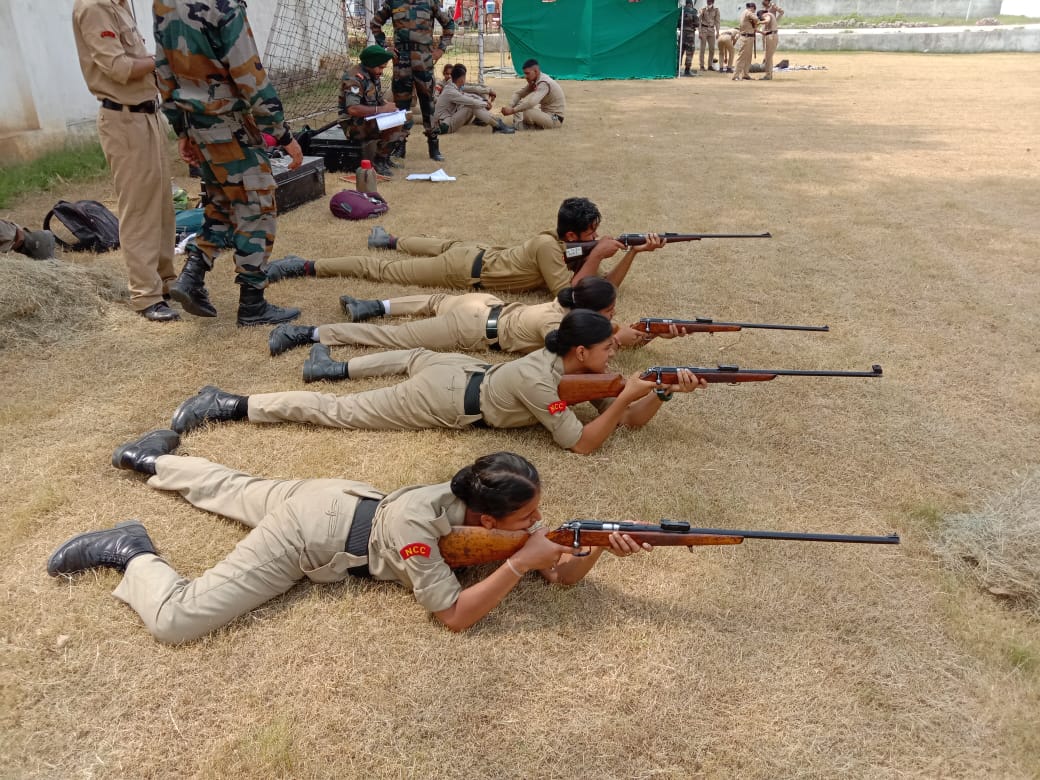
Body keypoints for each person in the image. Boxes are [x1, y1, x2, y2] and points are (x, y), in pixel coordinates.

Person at [47, 435, 653, 642]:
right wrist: (520, 566)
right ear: (489, 521)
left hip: (340, 496)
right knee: (180, 620)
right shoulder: (419, 528)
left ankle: (150, 460)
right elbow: (453, 616)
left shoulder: (489, 503)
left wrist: (593, 549)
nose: (537, 523)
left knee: (234, 488)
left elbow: (560, 574)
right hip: (308, 534)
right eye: (527, 517)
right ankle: (132, 551)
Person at [168, 310, 708, 454]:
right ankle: (230, 403)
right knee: (342, 412)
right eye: (609, 347)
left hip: (461, 371)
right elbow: (585, 445)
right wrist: (625, 394)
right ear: (581, 352)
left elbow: (628, 421)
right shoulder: (540, 382)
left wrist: (659, 391)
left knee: (410, 353)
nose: (616, 352)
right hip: (442, 398)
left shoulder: (572, 371)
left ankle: (333, 366)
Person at [154, 0, 304, 327]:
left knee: (221, 202)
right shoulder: (223, 5)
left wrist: (182, 129)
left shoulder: (164, 4)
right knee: (257, 207)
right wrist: (282, 134)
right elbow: (249, 74)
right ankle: (253, 304)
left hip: (197, 124)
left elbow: (163, 70)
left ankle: (192, 277)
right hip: (228, 125)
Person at [264, 198, 664, 296]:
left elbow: (602, 287)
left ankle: (390, 239)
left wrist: (631, 252)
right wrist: (598, 254)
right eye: (592, 234)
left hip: (474, 252)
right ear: (573, 237)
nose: (598, 238)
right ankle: (306, 265)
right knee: (383, 271)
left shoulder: (566, 248)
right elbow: (569, 296)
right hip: (463, 270)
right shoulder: (549, 248)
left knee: (441, 244)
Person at [72, 0, 178, 322]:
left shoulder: (119, 5)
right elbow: (118, 68)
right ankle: (146, 295)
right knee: (139, 208)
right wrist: (162, 59)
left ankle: (166, 280)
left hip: (148, 115)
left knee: (161, 203)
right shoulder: (94, 8)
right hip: (123, 120)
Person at [268, 277, 690, 358]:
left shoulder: (568, 304)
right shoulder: (560, 327)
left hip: (484, 306)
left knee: (434, 299)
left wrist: (652, 333)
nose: (614, 317)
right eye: (610, 311)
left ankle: (375, 305)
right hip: (472, 328)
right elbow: (603, 346)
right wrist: (633, 336)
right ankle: (306, 333)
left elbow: (617, 334)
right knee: (392, 339)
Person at [370, 0, 455, 161]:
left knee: (428, 103)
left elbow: (449, 24)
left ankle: (433, 144)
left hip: (424, 61)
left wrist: (440, 49)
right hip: (401, 61)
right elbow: (375, 23)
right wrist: (385, 47)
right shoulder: (393, 2)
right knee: (401, 105)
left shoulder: (430, 2)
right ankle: (399, 144)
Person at [339, 45, 410, 177]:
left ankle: (385, 157)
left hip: (367, 119)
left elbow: (375, 99)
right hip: (353, 125)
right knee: (394, 124)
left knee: (404, 119)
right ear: (371, 64)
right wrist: (381, 109)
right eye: (380, 67)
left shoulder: (372, 75)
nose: (381, 71)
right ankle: (379, 161)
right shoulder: (354, 79)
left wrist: (387, 105)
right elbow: (353, 109)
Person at [434, 64, 515, 135]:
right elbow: (470, 101)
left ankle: (497, 122)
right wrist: (485, 104)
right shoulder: (450, 90)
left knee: (474, 102)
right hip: (443, 126)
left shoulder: (452, 86)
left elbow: (468, 95)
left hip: (447, 120)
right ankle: (497, 126)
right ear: (462, 78)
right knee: (471, 106)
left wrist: (483, 101)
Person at [500, 60, 566, 130]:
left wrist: (512, 111)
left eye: (527, 73)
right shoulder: (536, 81)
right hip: (545, 115)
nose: (525, 76)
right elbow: (518, 94)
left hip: (555, 119)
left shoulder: (544, 83)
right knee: (518, 103)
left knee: (528, 112)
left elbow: (531, 103)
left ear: (536, 71)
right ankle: (521, 125)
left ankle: (519, 126)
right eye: (525, 73)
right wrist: (509, 106)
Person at [733, 3, 759, 82]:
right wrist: (757, 20)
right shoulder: (748, 12)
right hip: (746, 37)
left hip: (748, 37)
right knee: (742, 57)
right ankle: (736, 75)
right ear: (752, 8)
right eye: (754, 10)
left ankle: (745, 74)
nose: (754, 11)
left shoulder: (744, 13)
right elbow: (756, 19)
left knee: (748, 57)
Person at [699, 0, 721, 72]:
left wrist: (718, 31)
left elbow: (717, 21)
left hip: (711, 30)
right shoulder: (703, 9)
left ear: (713, 2)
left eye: (710, 1)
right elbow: (699, 21)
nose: (709, 2)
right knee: (702, 49)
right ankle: (702, 65)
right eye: (708, 1)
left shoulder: (716, 10)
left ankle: (710, 65)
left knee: (712, 49)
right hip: (704, 29)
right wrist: (700, 32)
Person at [678, 0, 699, 77]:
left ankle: (677, 69)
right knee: (689, 52)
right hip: (690, 34)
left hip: (682, 34)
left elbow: (677, 23)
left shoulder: (681, 11)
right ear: (691, 4)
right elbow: (697, 23)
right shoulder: (693, 11)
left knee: (680, 51)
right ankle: (687, 70)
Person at [757, 8, 779, 80]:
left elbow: (767, 20)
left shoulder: (767, 15)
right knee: (769, 57)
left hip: (771, 36)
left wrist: (758, 22)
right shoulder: (771, 15)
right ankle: (769, 74)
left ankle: (768, 75)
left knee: (768, 57)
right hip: (772, 35)